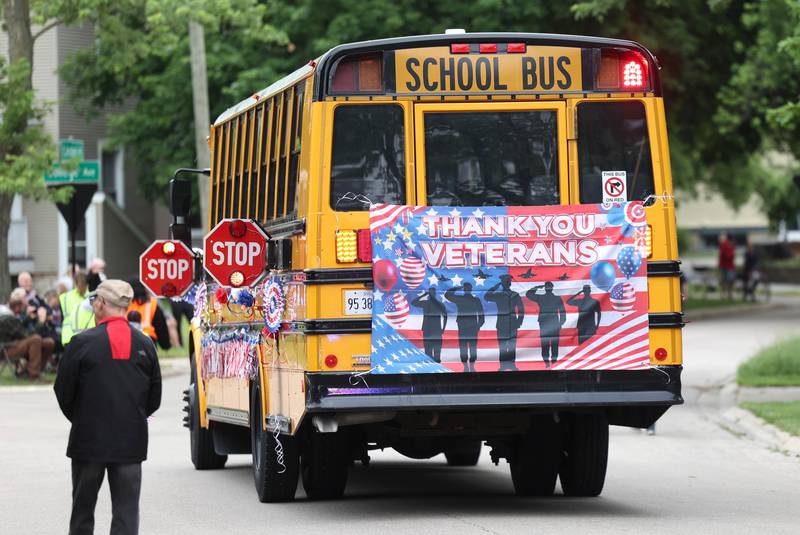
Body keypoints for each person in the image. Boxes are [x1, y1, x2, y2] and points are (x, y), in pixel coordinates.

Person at [54, 279, 162, 535]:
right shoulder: (145, 344)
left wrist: (82, 418)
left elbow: (63, 391)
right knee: (126, 515)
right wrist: (132, 417)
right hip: (130, 441)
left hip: (88, 440)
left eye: (94, 301)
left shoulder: (81, 343)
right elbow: (154, 397)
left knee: (82, 512)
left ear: (101, 303)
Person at [1, 293, 55, 380]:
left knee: (49, 342)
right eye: (23, 307)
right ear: (17, 307)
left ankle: (30, 371)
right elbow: (26, 335)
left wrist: (28, 318)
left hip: (15, 344)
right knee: (35, 339)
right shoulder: (8, 318)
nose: (24, 309)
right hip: (7, 349)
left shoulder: (11, 316)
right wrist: (41, 321)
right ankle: (34, 375)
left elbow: (19, 329)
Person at [485, 274, 525, 371]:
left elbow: (521, 310)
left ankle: (512, 364)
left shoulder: (515, 295)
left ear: (510, 284)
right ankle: (503, 365)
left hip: (512, 323)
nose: (507, 283)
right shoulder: (498, 295)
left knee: (512, 345)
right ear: (502, 284)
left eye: (508, 282)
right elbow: (486, 297)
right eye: (505, 282)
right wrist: (495, 287)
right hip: (502, 323)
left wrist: (519, 322)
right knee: (502, 345)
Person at [444, 283, 484, 372]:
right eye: (466, 288)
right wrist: (457, 288)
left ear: (470, 289)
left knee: (470, 346)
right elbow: (447, 295)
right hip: (464, 326)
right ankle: (466, 365)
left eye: (468, 288)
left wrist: (479, 325)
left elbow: (481, 314)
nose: (467, 289)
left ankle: (471, 365)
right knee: (464, 346)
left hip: (472, 326)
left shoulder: (474, 300)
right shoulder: (461, 299)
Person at [526, 282, 566, 368]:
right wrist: (561, 323)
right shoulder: (546, 298)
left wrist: (536, 287)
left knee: (548, 343)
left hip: (550, 323)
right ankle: (549, 362)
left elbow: (529, 294)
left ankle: (549, 362)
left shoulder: (544, 298)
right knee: (550, 343)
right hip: (548, 323)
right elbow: (528, 295)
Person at [127, 279, 171, 350]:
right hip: (148, 340)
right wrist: (165, 344)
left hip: (128, 340)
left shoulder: (125, 304)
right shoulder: (152, 303)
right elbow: (160, 325)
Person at [410, 287, 448, 362]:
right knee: (428, 351)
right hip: (430, 329)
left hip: (434, 329)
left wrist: (443, 329)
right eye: (430, 292)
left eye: (431, 292)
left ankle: (436, 367)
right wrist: (443, 329)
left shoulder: (438, 304)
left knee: (435, 351)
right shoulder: (427, 303)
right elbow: (413, 302)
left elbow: (445, 316)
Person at [60, 272, 96, 348]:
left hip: (67, 337)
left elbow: (61, 317)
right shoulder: (91, 298)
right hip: (86, 337)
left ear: (74, 282)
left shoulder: (64, 297)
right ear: (87, 283)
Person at [717, 233, 736, 299]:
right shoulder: (726, 245)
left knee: (726, 281)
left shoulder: (727, 245)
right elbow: (728, 256)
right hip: (727, 266)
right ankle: (726, 295)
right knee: (727, 281)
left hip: (727, 266)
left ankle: (726, 295)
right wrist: (731, 255)